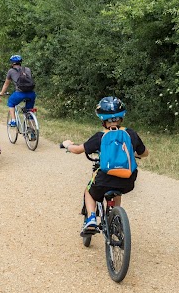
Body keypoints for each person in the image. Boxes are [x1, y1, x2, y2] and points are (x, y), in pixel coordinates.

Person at [62, 96, 149, 234]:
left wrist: (67, 145)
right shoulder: (130, 133)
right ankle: (116, 220)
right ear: (122, 116)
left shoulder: (100, 136)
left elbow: (78, 150)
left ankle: (91, 219)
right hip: (128, 180)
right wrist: (135, 154)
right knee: (117, 189)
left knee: (89, 192)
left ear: (102, 118)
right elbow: (144, 153)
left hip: (105, 179)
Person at [0, 54, 36, 128]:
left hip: (20, 93)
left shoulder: (11, 71)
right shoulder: (27, 69)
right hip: (31, 93)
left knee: (11, 102)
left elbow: (6, 84)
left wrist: (1, 93)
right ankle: (33, 131)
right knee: (29, 111)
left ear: (12, 63)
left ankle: (13, 120)